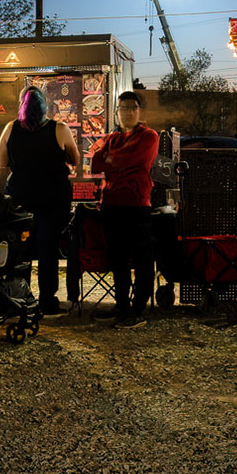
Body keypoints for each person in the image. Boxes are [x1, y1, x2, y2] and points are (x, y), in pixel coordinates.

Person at [0, 87, 81, 315]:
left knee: (20, 251)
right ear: (45, 106)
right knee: (47, 250)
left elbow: (0, 162)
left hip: (20, 198)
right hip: (52, 200)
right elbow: (75, 159)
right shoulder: (59, 129)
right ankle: (47, 301)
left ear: (21, 106)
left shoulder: (11, 128)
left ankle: (20, 299)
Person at [89, 89, 160, 327]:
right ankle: (121, 307)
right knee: (117, 261)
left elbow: (133, 159)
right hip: (111, 205)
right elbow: (95, 163)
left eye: (132, 108)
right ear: (116, 112)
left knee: (142, 261)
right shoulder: (112, 138)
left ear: (139, 111)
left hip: (137, 206)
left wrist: (112, 159)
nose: (128, 112)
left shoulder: (149, 136)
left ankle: (138, 310)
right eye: (123, 108)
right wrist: (112, 159)